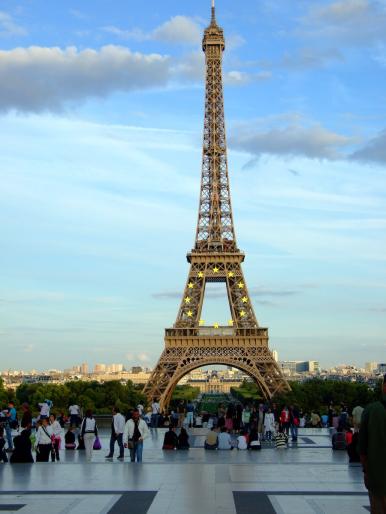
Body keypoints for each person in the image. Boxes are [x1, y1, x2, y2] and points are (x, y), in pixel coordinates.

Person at [359, 374, 386, 513]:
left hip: (378, 478)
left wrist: (366, 470)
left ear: (383, 387)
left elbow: (362, 448)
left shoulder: (371, 410)